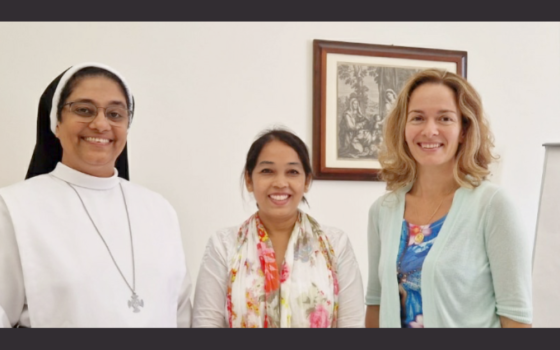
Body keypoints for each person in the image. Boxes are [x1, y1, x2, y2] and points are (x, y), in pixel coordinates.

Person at [0, 62, 192, 327]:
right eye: (84, 110)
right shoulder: (14, 207)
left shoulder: (159, 209)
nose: (101, 124)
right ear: (56, 122)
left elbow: (180, 314)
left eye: (115, 114)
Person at [364, 69, 532, 328]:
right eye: (417, 118)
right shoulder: (383, 210)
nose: (430, 130)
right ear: (403, 128)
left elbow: (516, 320)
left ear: (464, 129)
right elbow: (375, 304)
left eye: (444, 118)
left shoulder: (494, 206)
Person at [192, 129, 364, 327]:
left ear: (306, 181)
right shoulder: (224, 245)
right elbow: (205, 323)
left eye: (292, 172)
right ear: (249, 180)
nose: (280, 183)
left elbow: (352, 323)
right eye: (267, 171)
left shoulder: (335, 244)